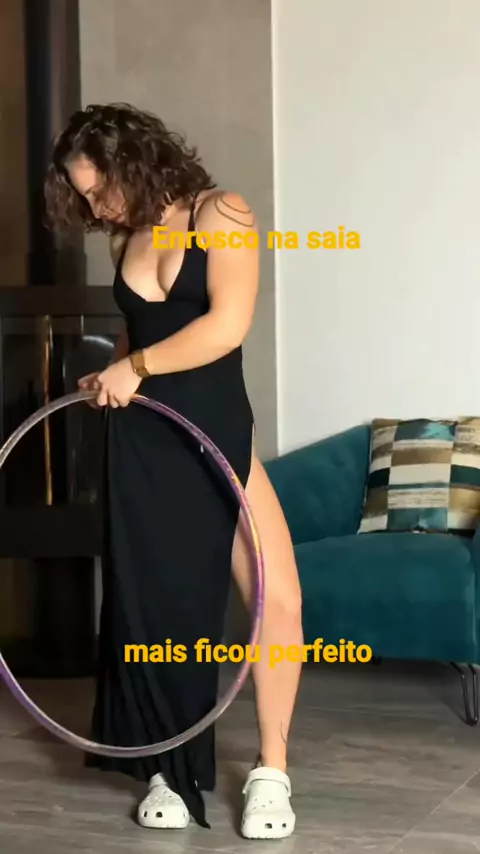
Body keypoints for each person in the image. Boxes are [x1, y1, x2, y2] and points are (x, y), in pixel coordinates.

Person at [45, 102, 303, 839]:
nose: (97, 207)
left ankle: (272, 772)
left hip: (214, 429)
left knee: (277, 597)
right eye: (86, 196)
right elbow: (140, 333)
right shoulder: (124, 237)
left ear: (134, 160)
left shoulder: (223, 213)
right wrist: (116, 378)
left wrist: (136, 367)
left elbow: (226, 325)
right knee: (151, 603)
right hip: (145, 438)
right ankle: (166, 765)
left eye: (101, 189)